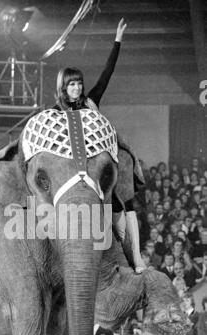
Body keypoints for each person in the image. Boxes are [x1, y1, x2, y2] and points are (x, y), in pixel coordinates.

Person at [53, 19, 146, 274]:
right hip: (71, 170)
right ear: (63, 87)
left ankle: (135, 256)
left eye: (79, 83)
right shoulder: (55, 113)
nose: (77, 88)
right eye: (72, 84)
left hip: (98, 165)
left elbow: (107, 72)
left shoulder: (91, 101)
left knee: (123, 203)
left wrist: (117, 41)